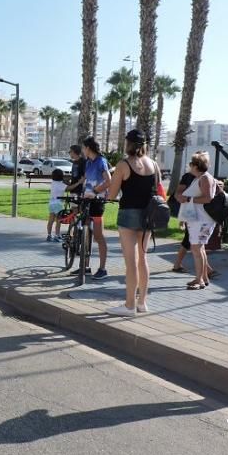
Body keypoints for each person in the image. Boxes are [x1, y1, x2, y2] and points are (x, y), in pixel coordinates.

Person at [105, 130, 159, 316]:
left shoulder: (123, 164)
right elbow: (157, 190)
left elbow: (111, 194)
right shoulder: (153, 164)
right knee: (143, 259)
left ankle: (129, 305)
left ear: (128, 144)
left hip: (129, 214)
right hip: (148, 215)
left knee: (131, 262)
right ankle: (142, 303)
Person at [175, 151, 217, 290]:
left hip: (202, 219)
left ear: (195, 165)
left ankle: (199, 279)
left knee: (196, 249)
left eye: (191, 164)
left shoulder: (204, 178)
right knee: (200, 249)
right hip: (198, 219)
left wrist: (188, 199)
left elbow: (208, 198)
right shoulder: (200, 177)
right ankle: (203, 278)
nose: (189, 167)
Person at [81, 136, 111, 279]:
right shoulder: (88, 162)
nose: (82, 150)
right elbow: (86, 180)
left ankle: (102, 268)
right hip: (86, 200)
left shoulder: (101, 161)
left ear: (88, 148)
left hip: (97, 202)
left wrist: (95, 192)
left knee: (98, 236)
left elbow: (108, 181)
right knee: (85, 235)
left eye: (83, 148)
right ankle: (85, 266)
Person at [47, 168, 66, 242]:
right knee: (58, 221)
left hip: (51, 203)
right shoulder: (61, 184)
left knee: (51, 220)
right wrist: (78, 183)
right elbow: (70, 187)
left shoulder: (53, 183)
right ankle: (57, 235)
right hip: (58, 204)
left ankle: (49, 235)